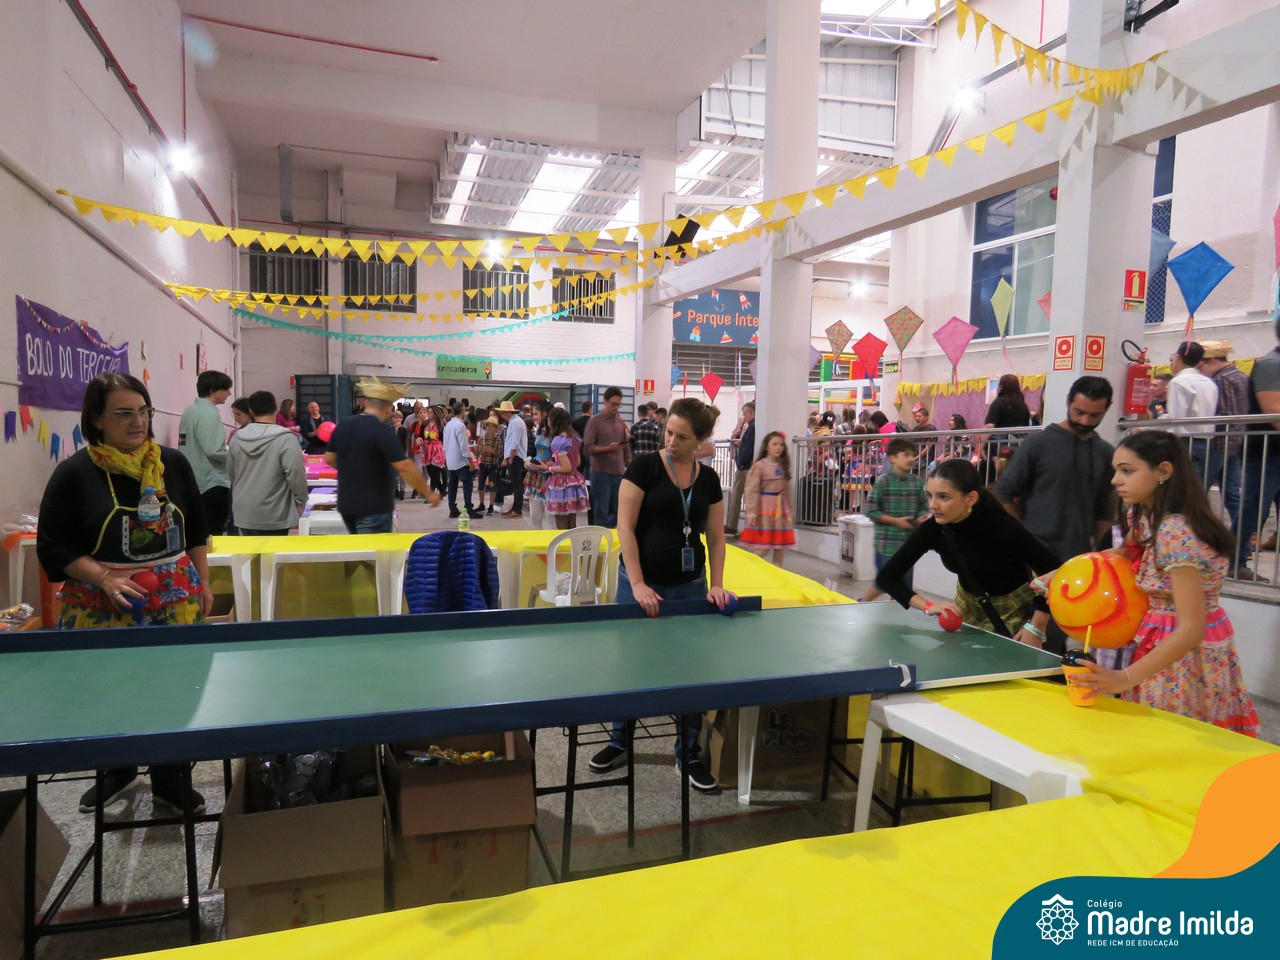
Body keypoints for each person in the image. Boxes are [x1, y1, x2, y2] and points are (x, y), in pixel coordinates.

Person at [37, 373, 212, 814]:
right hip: (101, 604)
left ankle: (170, 777)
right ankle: (116, 770)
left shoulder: (172, 464)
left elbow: (196, 528)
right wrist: (105, 578)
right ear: (97, 419)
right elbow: (55, 546)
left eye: (143, 411)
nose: (138, 422)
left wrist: (205, 581)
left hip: (174, 598)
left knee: (174, 688)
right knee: (107, 692)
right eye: (124, 413)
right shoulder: (75, 473)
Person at [1070, 431, 1257, 736]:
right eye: (1116, 470)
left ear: (1164, 471)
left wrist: (1124, 677)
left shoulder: (1175, 531)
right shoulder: (1145, 514)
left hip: (1182, 650)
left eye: (1127, 471)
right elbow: (1125, 552)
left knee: (1174, 734)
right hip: (1162, 638)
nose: (1115, 480)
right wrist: (1061, 572)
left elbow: (1191, 628)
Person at [590, 397, 734, 792]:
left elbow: (716, 536)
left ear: (701, 440)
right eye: (669, 432)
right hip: (640, 583)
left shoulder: (708, 479)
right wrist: (638, 584)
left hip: (690, 586)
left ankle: (687, 753)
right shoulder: (644, 467)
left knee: (690, 670)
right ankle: (619, 740)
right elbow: (624, 527)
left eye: (682, 437)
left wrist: (716, 582)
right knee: (630, 664)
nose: (671, 441)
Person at [876, 459, 1061, 647]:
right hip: (967, 608)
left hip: (1015, 611)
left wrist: (1036, 627)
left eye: (943, 497)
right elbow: (887, 577)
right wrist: (928, 605)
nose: (932, 505)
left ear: (970, 498)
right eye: (929, 495)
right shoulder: (933, 529)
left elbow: (1057, 573)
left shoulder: (1003, 528)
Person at [324, 377, 441, 532]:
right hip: (374, 506)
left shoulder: (344, 425)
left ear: (366, 404)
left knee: (357, 545)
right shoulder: (382, 431)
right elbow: (405, 467)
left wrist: (353, 468)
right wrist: (428, 493)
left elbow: (329, 458)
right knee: (373, 547)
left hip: (347, 504)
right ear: (389, 409)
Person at [1233, 320, 1280, 581]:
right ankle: (1233, 562)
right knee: (1254, 509)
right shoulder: (1271, 365)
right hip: (1265, 452)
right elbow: (1275, 413)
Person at [227, 390, 308, 535]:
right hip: (275, 510)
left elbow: (232, 473)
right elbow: (296, 473)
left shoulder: (236, 438)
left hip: (244, 509)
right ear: (275, 408)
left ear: (251, 411)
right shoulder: (286, 438)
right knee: (273, 549)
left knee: (251, 549)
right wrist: (301, 500)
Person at [863, 437, 929, 597]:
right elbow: (870, 510)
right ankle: (860, 605)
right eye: (905, 455)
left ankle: (895, 609)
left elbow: (923, 506)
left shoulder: (916, 482)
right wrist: (895, 521)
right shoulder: (882, 482)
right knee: (883, 584)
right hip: (887, 545)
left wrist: (921, 517)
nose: (911, 458)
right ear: (892, 458)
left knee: (903, 588)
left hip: (908, 546)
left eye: (912, 455)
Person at [1197, 339, 1248, 530]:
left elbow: (1224, 414)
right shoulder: (1240, 375)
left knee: (1198, 490)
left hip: (1219, 443)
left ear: (1210, 361)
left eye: (1200, 364)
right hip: (1236, 442)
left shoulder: (1222, 379)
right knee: (1232, 493)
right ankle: (1243, 535)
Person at [177, 370, 233, 536]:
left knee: (197, 533)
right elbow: (214, 451)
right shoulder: (209, 414)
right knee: (213, 534)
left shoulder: (190, 410)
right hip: (211, 483)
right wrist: (235, 456)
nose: (229, 394)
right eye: (226, 389)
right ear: (212, 390)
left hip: (194, 480)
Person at [738, 430, 796, 566]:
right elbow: (751, 490)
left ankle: (778, 573)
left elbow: (787, 491)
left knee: (779, 546)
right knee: (765, 546)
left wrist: (789, 511)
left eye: (781, 445)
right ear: (766, 446)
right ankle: (745, 567)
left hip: (780, 511)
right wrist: (751, 512)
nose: (778, 447)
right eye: (774, 444)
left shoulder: (782, 466)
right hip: (764, 509)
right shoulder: (759, 466)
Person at [1166, 340, 1218, 479]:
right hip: (1206, 441)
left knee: (1183, 484)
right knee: (1197, 483)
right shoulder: (1209, 382)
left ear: (1177, 357)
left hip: (1185, 442)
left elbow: (1176, 418)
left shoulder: (1178, 382)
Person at [583, 386, 631, 527]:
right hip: (601, 473)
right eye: (613, 404)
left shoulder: (619, 421)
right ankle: (601, 536)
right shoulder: (595, 422)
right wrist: (608, 448)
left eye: (618, 405)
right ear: (605, 402)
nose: (615, 408)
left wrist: (629, 461)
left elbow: (625, 445)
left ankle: (608, 533)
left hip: (618, 473)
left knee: (619, 511)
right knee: (601, 512)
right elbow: (588, 448)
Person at [544, 406, 590, 529]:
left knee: (561, 521)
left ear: (552, 421)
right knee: (571, 521)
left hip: (562, 483)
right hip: (574, 481)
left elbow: (566, 468)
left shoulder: (558, 441)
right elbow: (577, 462)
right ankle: (572, 542)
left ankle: (563, 542)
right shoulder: (574, 437)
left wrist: (548, 468)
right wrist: (556, 464)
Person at [443, 400, 483, 520]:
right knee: (467, 484)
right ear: (463, 411)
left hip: (450, 460)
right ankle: (468, 509)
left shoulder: (448, 425)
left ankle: (452, 509)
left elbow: (445, 444)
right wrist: (471, 462)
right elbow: (464, 446)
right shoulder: (460, 426)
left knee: (452, 485)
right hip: (460, 461)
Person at [724, 401, 756, 537]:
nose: (744, 417)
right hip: (747, 465)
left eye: (744, 414)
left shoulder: (752, 427)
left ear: (750, 412)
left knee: (737, 496)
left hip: (745, 467)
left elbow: (748, 447)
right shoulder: (753, 426)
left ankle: (732, 525)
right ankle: (736, 526)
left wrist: (740, 463)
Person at [522, 401, 554, 528]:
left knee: (550, 516)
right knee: (534, 516)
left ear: (545, 413)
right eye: (533, 414)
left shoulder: (555, 432)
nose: (533, 417)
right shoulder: (539, 431)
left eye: (535, 414)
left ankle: (552, 540)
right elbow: (539, 452)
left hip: (550, 476)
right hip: (535, 475)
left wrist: (545, 465)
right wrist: (531, 462)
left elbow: (558, 457)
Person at [497, 401, 527, 517]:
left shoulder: (515, 422)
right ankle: (515, 508)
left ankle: (517, 509)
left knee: (517, 484)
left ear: (507, 412)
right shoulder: (515, 421)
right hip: (514, 456)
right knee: (516, 484)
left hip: (515, 457)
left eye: (503, 413)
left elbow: (514, 441)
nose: (502, 415)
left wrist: (511, 457)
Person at [475, 414, 504, 515]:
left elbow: (500, 454)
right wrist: (480, 451)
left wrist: (492, 451)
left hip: (493, 465)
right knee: (481, 484)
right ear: (486, 427)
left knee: (492, 485)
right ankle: (481, 503)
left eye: (493, 426)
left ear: (495, 428)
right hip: (483, 464)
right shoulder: (482, 438)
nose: (490, 428)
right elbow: (476, 451)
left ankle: (491, 505)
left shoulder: (498, 439)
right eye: (488, 426)